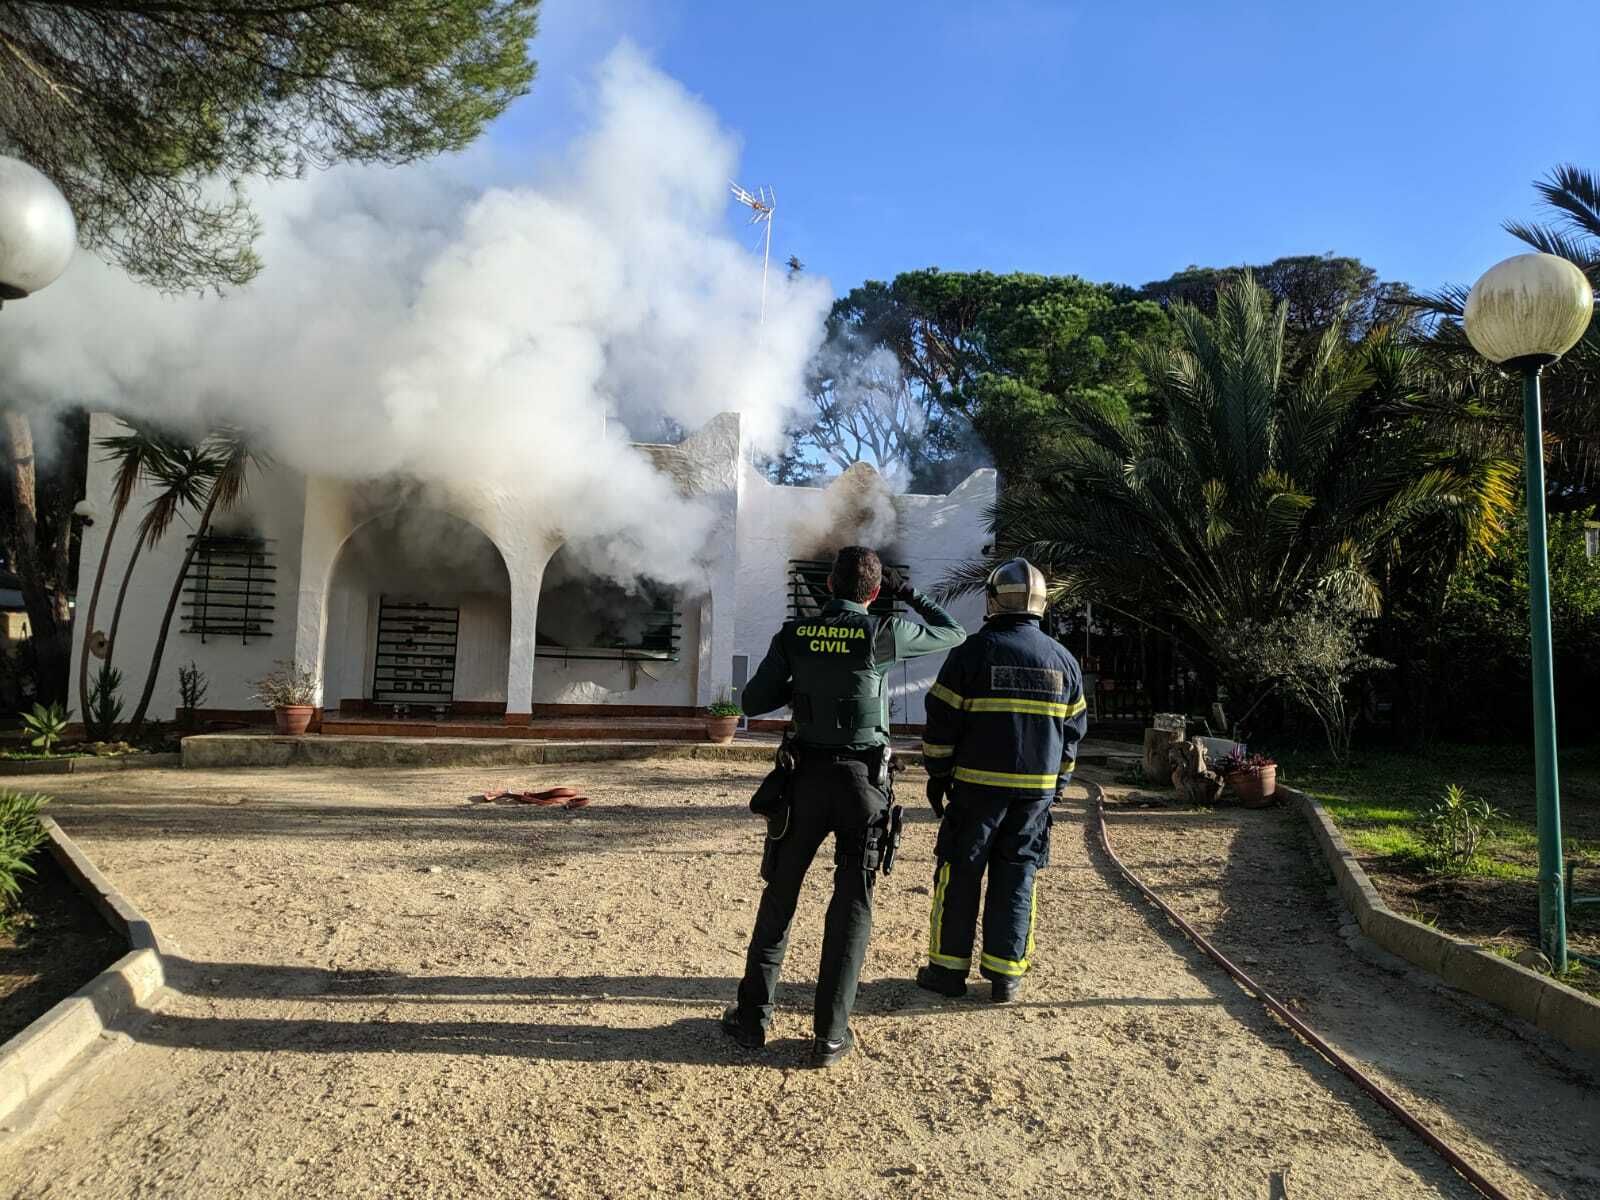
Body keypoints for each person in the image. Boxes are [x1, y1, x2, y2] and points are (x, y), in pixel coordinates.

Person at [723, 545, 967, 1067]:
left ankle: (751, 1020)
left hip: (802, 782)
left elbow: (751, 702)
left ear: (828, 587)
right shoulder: (885, 632)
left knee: (780, 896)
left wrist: (805, 681)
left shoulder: (794, 634)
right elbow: (953, 632)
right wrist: (910, 594)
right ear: (875, 593)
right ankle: (830, 1035)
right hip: (863, 786)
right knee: (852, 903)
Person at [916, 557, 1087, 1003]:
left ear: (992, 601)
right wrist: (1057, 789)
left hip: (974, 792)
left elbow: (941, 721)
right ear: (1041, 604)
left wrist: (937, 775)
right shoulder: (1065, 662)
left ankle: (948, 971)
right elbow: (1072, 736)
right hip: (1034, 798)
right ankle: (1005, 978)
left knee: (960, 872)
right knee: (1018, 875)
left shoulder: (971, 653)